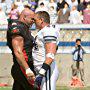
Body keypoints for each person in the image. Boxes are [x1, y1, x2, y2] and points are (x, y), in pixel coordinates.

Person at [7, 8, 36, 90]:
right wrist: (27, 69)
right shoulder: (18, 27)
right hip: (22, 67)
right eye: (32, 19)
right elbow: (18, 52)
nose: (33, 21)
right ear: (24, 17)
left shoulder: (24, 28)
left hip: (22, 66)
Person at [32, 11, 59, 90]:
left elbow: (50, 55)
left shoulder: (48, 31)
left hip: (46, 71)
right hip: (43, 70)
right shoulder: (43, 31)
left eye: (35, 19)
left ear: (41, 20)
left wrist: (41, 73)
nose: (33, 22)